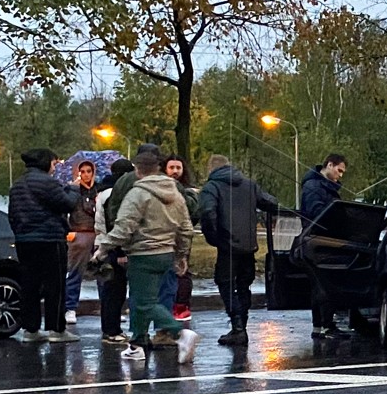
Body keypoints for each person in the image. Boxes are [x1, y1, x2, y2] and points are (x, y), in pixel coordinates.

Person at [95, 149, 200, 363]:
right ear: (159, 168)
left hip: (143, 253)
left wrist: (103, 249)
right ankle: (137, 343)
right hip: (167, 252)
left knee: (144, 302)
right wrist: (181, 255)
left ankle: (179, 333)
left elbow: (123, 227)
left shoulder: (137, 194)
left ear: (137, 170)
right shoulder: (174, 191)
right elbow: (186, 228)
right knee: (152, 298)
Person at [199, 154, 280, 346]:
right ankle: (242, 324)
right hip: (248, 246)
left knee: (225, 283)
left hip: (227, 246)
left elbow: (207, 213)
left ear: (211, 169)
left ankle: (237, 327)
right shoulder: (249, 185)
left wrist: (214, 237)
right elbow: (271, 203)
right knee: (244, 286)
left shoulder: (211, 187)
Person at [8, 148, 80, 343]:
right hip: (50, 239)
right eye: (54, 164)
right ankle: (56, 329)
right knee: (55, 285)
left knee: (30, 285)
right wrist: (74, 188)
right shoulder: (48, 182)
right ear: (45, 163)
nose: (54, 168)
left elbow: (12, 215)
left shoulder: (17, 185)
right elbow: (67, 204)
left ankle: (30, 329)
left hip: (24, 240)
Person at [300, 153, 347, 338]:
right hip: (317, 242)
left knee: (319, 285)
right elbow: (316, 213)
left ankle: (320, 327)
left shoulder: (323, 187)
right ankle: (326, 326)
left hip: (321, 241)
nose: (340, 175)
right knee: (325, 284)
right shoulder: (313, 187)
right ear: (329, 165)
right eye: (339, 170)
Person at [94, 158, 134, 345]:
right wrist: (120, 252)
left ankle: (109, 329)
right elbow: (114, 223)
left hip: (103, 243)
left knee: (110, 290)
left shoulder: (103, 192)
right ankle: (112, 330)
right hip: (113, 247)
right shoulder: (115, 194)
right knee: (115, 291)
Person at [161, 154, 200, 322]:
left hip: (181, 236)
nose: (175, 171)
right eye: (171, 167)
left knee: (182, 271)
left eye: (178, 167)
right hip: (162, 236)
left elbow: (194, 212)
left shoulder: (189, 191)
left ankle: (181, 306)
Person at [63, 159, 99, 326]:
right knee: (75, 272)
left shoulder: (98, 189)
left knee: (103, 272)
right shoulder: (72, 190)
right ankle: (70, 307)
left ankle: (107, 308)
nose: (85, 175)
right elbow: (65, 208)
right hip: (79, 233)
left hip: (97, 233)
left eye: (88, 171)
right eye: (82, 171)